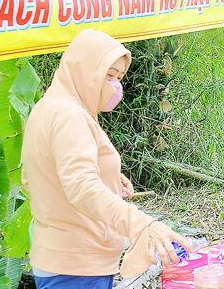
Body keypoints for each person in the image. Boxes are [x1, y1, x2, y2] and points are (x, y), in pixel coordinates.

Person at [22, 29, 191, 288]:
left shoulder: (49, 107)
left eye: (119, 78)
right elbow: (82, 187)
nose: (115, 86)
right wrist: (142, 224)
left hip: (62, 258)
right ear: (84, 70)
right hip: (78, 265)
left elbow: (36, 175)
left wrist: (107, 175)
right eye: (108, 76)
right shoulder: (70, 117)